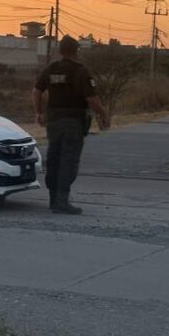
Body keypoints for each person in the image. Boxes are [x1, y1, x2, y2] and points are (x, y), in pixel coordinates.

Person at [32, 35, 110, 215]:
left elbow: (36, 91)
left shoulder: (51, 69)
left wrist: (39, 113)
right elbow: (92, 99)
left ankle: (53, 199)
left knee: (54, 160)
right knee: (69, 161)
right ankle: (62, 201)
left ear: (60, 51)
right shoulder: (81, 71)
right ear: (76, 51)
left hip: (54, 122)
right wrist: (103, 114)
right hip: (73, 122)